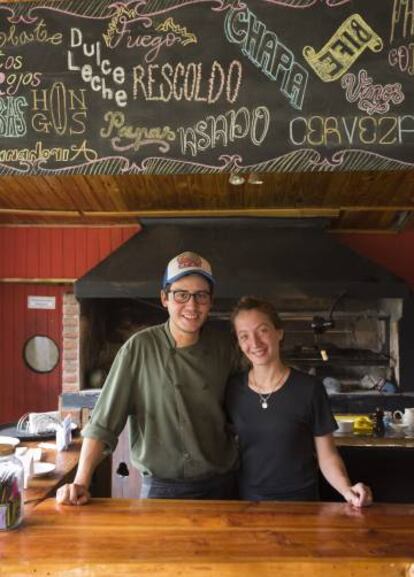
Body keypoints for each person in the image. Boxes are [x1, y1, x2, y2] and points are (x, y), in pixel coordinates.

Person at [56, 251, 238, 504]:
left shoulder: (224, 348)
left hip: (221, 487)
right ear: (165, 298)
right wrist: (81, 481)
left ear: (211, 300)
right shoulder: (139, 348)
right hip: (162, 490)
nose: (192, 305)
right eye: (181, 294)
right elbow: (103, 422)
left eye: (201, 295)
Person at [226, 296, 372, 507]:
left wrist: (347, 490)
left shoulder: (309, 389)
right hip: (249, 506)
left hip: (302, 505)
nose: (255, 343)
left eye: (263, 330)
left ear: (279, 332)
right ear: (239, 343)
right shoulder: (233, 389)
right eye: (244, 336)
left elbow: (327, 455)